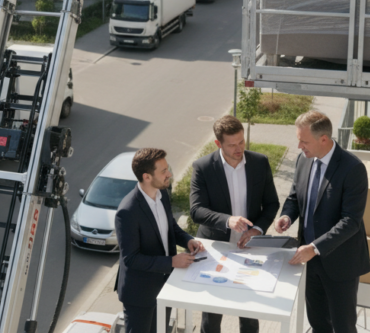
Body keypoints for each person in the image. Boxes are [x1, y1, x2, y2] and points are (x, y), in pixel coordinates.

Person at [274, 111, 370, 333]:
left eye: (304, 141)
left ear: (323, 139)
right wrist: (287, 216)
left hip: (340, 263)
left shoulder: (353, 169)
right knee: (318, 323)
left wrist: (315, 248)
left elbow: (351, 221)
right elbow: (294, 197)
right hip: (310, 261)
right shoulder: (303, 160)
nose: (299, 146)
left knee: (343, 327)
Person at [189, 115, 280, 333]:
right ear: (218, 143)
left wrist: (257, 229)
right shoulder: (203, 167)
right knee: (211, 317)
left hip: (250, 248)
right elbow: (196, 210)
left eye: (241, 141)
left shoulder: (260, 162)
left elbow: (271, 203)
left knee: (250, 315)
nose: (239, 148)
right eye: (232, 145)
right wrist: (227, 220)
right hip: (216, 249)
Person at [115, 148, 205, 333]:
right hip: (139, 294)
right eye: (163, 171)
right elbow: (131, 259)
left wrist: (188, 240)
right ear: (147, 177)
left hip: (164, 286)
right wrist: (171, 261)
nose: (169, 174)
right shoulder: (127, 211)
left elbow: (170, 226)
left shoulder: (162, 194)